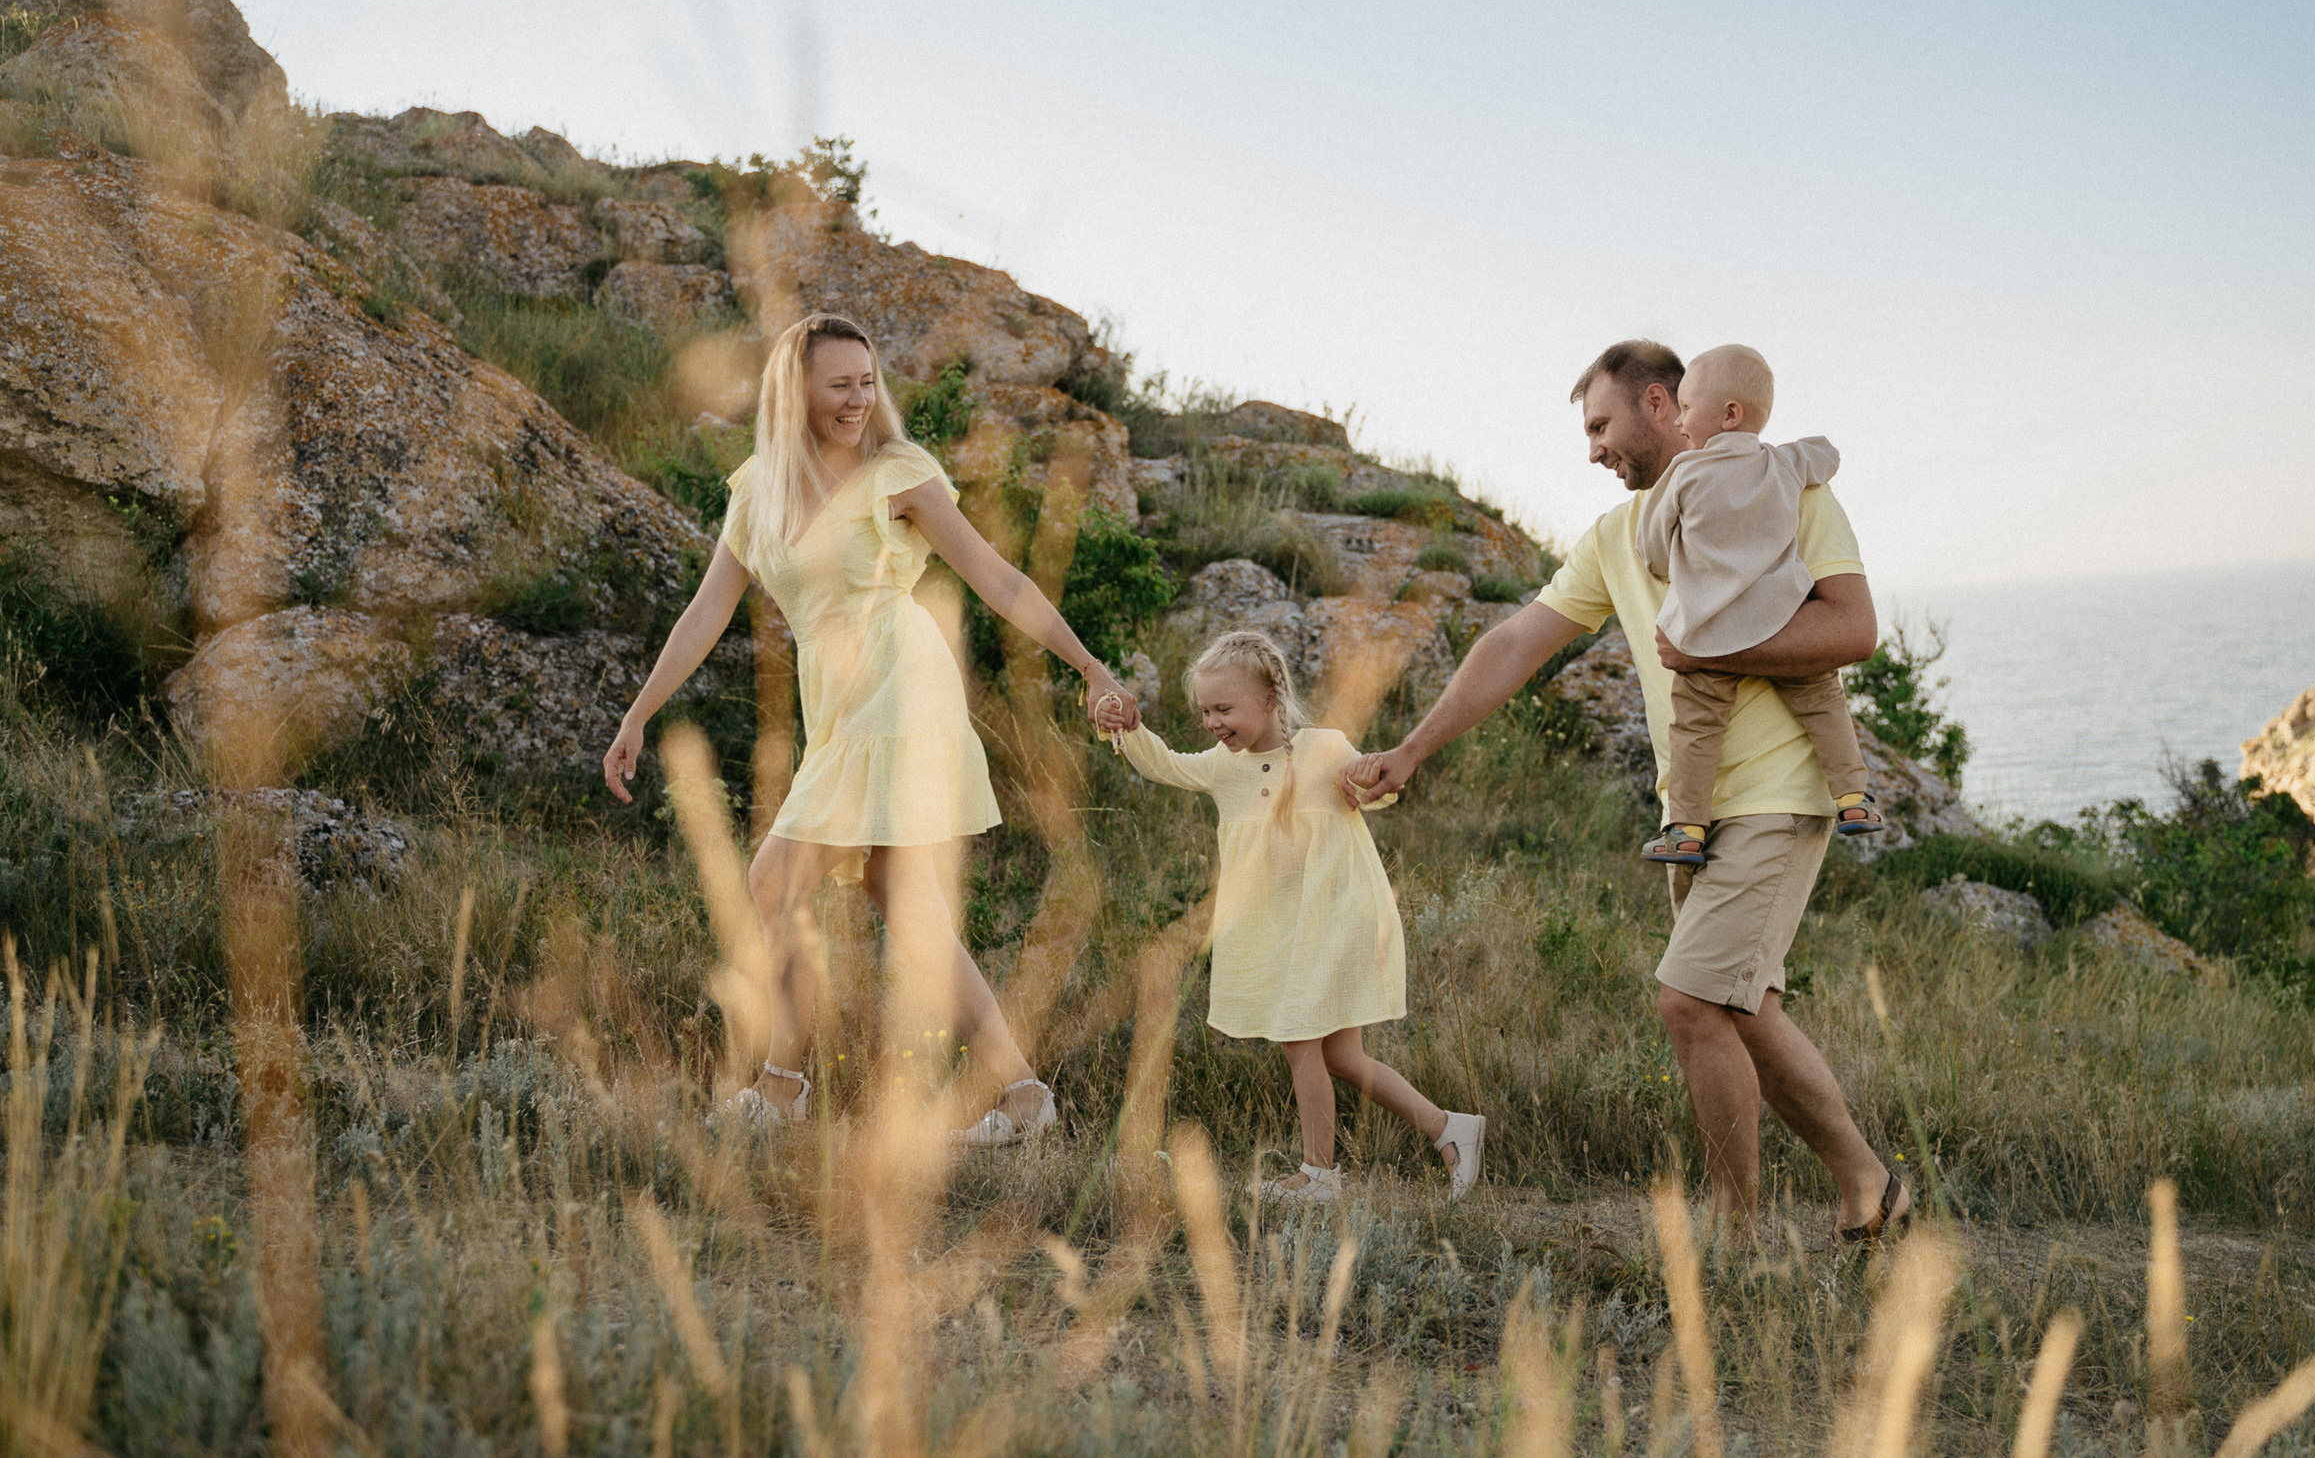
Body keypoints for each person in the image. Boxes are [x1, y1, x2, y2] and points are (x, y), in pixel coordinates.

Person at [1340, 339, 1910, 1243]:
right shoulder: (1616, 538)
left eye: (1600, 425)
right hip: (1693, 810)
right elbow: (1515, 645)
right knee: (1744, 1010)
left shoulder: (1786, 490)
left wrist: (1712, 649)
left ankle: (1733, 1239)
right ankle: (1867, 1181)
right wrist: (1412, 750)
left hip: (1780, 791)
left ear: (1659, 403)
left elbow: (1854, 627)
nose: (1593, 448)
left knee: (1691, 1002)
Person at [603, 313, 1135, 1141]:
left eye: (867, 381)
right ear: (795, 393)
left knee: (776, 878)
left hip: (901, 685)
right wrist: (639, 711)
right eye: (839, 384)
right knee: (907, 904)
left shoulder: (899, 473)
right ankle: (1023, 1095)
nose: (860, 399)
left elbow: (996, 578)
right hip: (838, 701)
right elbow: (708, 609)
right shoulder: (759, 490)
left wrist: (1090, 664)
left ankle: (783, 1089)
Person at [1107, 631, 1487, 1204]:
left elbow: (1378, 787)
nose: (1212, 722)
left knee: (1297, 1040)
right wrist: (1128, 728)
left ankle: (1320, 1175)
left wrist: (1363, 780)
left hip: (1335, 919)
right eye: (1205, 711)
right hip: (1280, 930)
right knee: (1342, 1056)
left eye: (1224, 708)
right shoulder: (1223, 767)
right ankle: (1448, 1128)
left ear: (1270, 698)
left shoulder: (1324, 748)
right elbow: (1166, 765)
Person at [1636, 346, 1880, 867]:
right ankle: (1854, 799)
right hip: (1780, 621)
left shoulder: (1684, 473)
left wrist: (1667, 565)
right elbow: (1828, 455)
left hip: (1708, 630)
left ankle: (1687, 830)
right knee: (1823, 702)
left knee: (1697, 729)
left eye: (1685, 408)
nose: (1678, 423)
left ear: (1728, 414)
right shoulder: (1784, 462)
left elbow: (1652, 548)